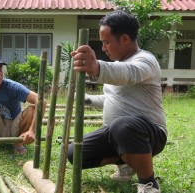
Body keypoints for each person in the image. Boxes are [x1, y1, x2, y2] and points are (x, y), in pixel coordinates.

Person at [67, 10, 167, 193]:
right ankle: (126, 162)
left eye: (106, 42)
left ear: (125, 39)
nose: (103, 48)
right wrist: (85, 100)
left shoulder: (145, 61)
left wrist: (96, 67)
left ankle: (148, 184)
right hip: (116, 134)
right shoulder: (117, 65)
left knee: (122, 125)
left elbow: (129, 74)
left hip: (149, 135)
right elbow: (112, 98)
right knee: (74, 153)